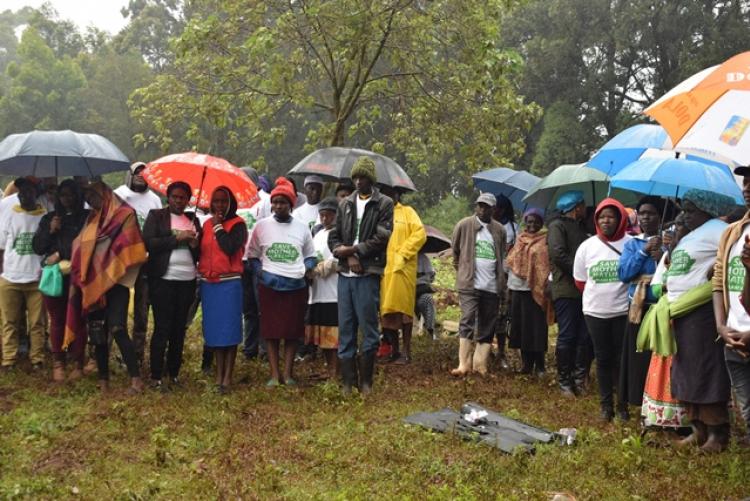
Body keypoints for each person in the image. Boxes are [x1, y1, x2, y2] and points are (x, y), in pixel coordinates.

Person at [666, 190, 732, 452]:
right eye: (684, 209)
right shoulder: (691, 233)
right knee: (686, 370)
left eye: (691, 210)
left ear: (708, 209)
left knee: (706, 369)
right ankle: (697, 428)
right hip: (682, 311)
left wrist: (720, 265)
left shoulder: (719, 229)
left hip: (702, 312)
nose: (685, 214)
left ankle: (717, 433)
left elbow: (734, 252)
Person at [69, 182, 147, 392]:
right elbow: (79, 246)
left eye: (93, 196)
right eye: (87, 197)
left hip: (118, 281)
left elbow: (131, 246)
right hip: (95, 283)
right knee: (96, 331)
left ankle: (135, 379)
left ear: (104, 194)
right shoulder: (92, 219)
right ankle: (103, 381)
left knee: (117, 327)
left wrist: (109, 267)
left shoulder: (124, 215)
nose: (90, 201)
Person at [328, 157, 394, 395]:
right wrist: (346, 256)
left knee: (369, 327)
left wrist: (355, 251)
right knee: (345, 326)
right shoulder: (345, 204)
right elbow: (333, 237)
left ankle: (366, 382)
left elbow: (382, 237)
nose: (358, 182)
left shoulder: (383, 204)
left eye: (362, 177)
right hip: (346, 274)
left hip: (368, 273)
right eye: (355, 177)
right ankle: (347, 382)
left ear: (371, 179)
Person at [248, 178, 316, 386]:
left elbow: (310, 255)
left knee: (292, 331)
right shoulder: (261, 227)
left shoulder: (302, 228)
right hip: (270, 286)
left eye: (283, 202)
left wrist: (305, 269)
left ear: (291, 204)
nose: (278, 206)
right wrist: (261, 274)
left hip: (295, 287)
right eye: (275, 202)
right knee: (271, 331)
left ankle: (288, 374)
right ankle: (274, 375)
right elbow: (251, 256)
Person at [574, 198, 632, 422]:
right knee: (602, 358)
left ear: (620, 219)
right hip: (595, 313)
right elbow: (580, 281)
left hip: (622, 312)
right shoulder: (587, 247)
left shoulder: (631, 244)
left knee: (621, 359)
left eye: (611, 216)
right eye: (602, 217)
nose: (606, 221)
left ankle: (622, 406)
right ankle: (606, 406)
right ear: (596, 220)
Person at [616, 197, 673, 419]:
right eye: (642, 213)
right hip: (638, 307)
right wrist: (644, 252)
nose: (646, 217)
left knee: (655, 357)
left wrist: (663, 259)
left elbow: (672, 275)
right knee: (633, 355)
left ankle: (654, 403)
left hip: (659, 307)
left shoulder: (669, 244)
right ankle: (627, 402)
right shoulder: (633, 244)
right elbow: (624, 274)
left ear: (660, 217)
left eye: (651, 213)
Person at [142, 181, 201, 391]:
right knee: (162, 327)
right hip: (163, 280)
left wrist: (195, 245)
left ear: (188, 200)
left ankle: (174, 373)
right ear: (168, 197)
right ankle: (156, 375)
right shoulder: (157, 216)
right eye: (175, 196)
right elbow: (150, 243)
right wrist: (177, 238)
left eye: (183, 197)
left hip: (187, 280)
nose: (179, 200)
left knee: (179, 329)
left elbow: (200, 252)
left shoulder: (193, 219)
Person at [32, 179, 89, 381]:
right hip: (54, 277)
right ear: (58, 197)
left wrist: (59, 253)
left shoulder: (86, 218)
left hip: (78, 276)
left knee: (78, 319)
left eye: (71, 194)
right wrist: (51, 230)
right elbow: (37, 247)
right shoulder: (49, 219)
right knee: (57, 320)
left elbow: (86, 245)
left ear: (78, 196)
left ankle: (78, 362)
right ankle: (59, 362)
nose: (67, 198)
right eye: (63, 195)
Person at [640, 212, 690, 431]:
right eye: (675, 229)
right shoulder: (667, 256)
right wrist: (667, 286)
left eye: (681, 229)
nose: (676, 233)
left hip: (689, 318)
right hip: (666, 318)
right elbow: (654, 288)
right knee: (664, 365)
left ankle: (687, 419)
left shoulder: (695, 253)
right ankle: (662, 417)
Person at [450, 193, 506, 377]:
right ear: (476, 207)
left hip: (491, 285)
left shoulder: (499, 230)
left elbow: (501, 255)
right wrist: (464, 271)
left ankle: (480, 365)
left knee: (488, 324)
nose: (482, 209)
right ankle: (463, 364)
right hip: (469, 283)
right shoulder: (464, 225)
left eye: (486, 207)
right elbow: (456, 252)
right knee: (467, 318)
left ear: (493, 209)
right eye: (480, 206)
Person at [713, 167, 750, 449]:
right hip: (734, 336)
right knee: (747, 412)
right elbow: (718, 281)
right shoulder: (733, 233)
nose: (747, 187)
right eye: (746, 182)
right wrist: (721, 326)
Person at [198, 186, 248, 393]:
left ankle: (227, 377)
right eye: (216, 201)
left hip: (229, 284)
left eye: (223, 202)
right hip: (209, 284)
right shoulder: (206, 224)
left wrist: (219, 227)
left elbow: (229, 248)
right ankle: (218, 374)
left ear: (230, 204)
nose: (219, 205)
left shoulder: (238, 225)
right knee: (215, 331)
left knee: (229, 330)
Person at [114, 161, 163, 367]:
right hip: (122, 260)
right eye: (137, 173)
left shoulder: (155, 200)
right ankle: (112, 350)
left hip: (146, 261)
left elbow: (160, 226)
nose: (141, 176)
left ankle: (137, 354)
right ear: (130, 174)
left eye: (145, 173)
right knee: (117, 308)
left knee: (142, 310)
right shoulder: (119, 195)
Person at [546, 191, 591, 396]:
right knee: (568, 334)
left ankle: (577, 377)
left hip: (585, 290)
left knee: (583, 335)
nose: (585, 209)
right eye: (582, 205)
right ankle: (564, 381)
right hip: (565, 288)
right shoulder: (557, 226)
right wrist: (580, 271)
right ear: (575, 207)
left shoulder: (583, 228)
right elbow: (558, 255)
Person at [0, 178, 47, 370]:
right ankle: (9, 359)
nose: (23, 194)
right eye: (21, 191)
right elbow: (2, 246)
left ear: (36, 194)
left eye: (28, 191)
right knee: (9, 322)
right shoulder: (9, 213)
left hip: (36, 277)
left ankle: (37, 358)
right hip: (10, 277)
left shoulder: (45, 217)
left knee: (37, 323)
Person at [379, 186, 426, 364]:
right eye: (385, 192)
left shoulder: (408, 212)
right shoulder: (379, 213)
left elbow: (420, 234)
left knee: (404, 310)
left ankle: (406, 351)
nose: (389, 196)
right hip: (384, 269)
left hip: (403, 268)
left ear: (398, 194)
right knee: (387, 310)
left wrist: (403, 252)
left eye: (392, 192)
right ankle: (394, 350)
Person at [505, 208, 553, 377]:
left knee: (537, 328)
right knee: (522, 328)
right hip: (518, 289)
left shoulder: (545, 241)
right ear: (525, 222)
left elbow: (547, 264)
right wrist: (509, 291)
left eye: (536, 222)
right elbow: (511, 263)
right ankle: (526, 364)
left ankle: (540, 365)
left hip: (537, 291)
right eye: (529, 221)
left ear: (541, 223)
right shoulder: (519, 239)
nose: (532, 225)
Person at [305, 197, 341, 379]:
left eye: (329, 215)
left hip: (332, 293)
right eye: (322, 215)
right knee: (323, 337)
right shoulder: (317, 235)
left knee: (333, 336)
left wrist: (320, 268)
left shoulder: (340, 234)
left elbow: (337, 260)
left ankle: (335, 372)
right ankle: (329, 369)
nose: (325, 219)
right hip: (317, 292)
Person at [492, 195, 518, 370]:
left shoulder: (514, 229)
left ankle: (501, 353)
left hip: (506, 278)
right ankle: (484, 349)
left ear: (502, 209)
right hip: (486, 276)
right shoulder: (485, 227)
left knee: (502, 316)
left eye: (496, 208)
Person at [415, 250, 437, 339]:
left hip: (421, 290)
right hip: (404, 292)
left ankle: (430, 329)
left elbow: (431, 276)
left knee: (427, 299)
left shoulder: (423, 258)